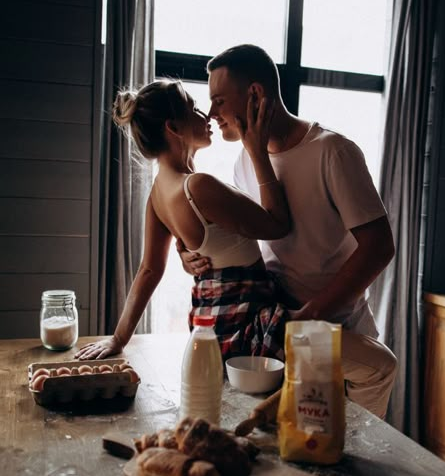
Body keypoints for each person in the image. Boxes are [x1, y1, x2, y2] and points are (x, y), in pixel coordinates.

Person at [178, 44, 397, 419]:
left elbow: (379, 248)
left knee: (355, 442)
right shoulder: (245, 160)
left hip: (333, 325)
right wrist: (188, 255)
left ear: (256, 95)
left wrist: (309, 314)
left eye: (218, 100)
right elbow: (245, 238)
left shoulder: (333, 152)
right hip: (271, 328)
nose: (211, 114)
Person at [75, 77, 296, 364]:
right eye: (193, 108)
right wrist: (258, 152)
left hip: (210, 333)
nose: (206, 115)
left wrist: (119, 338)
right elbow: (278, 225)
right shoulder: (199, 186)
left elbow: (149, 270)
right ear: (173, 127)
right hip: (244, 329)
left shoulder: (158, 194)